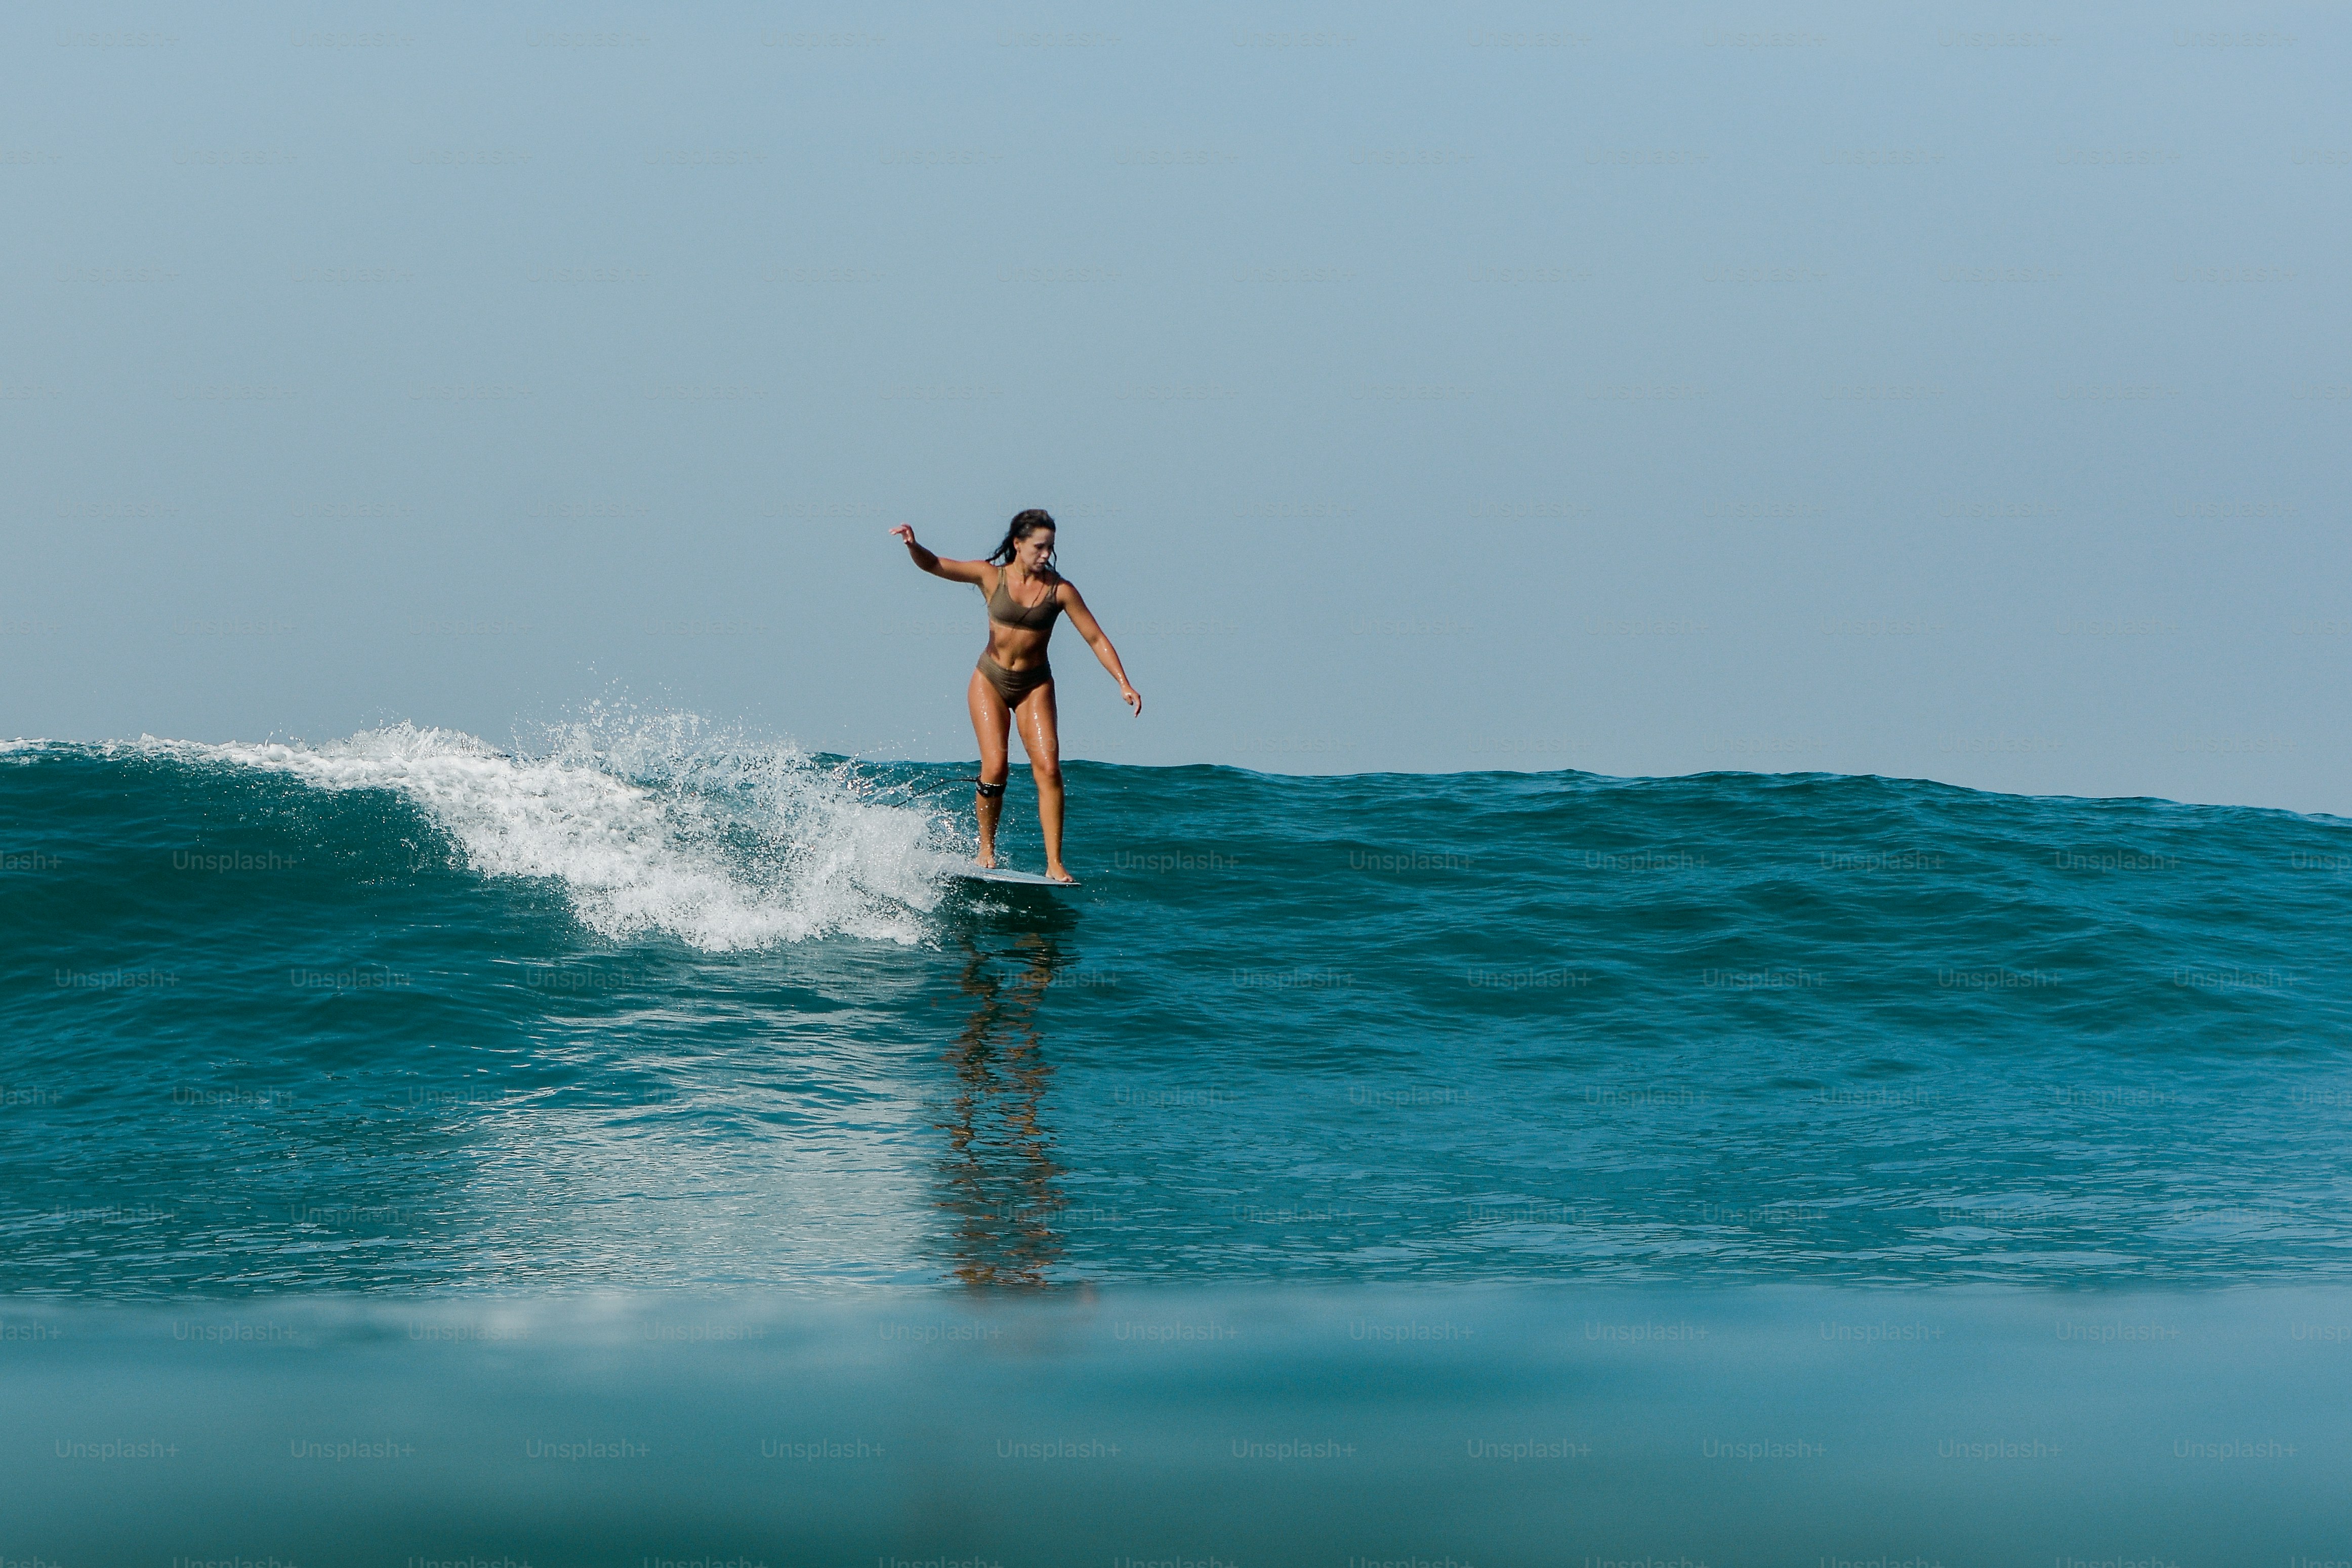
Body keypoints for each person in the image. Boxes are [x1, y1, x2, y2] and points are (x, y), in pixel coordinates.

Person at [890, 510, 1140, 882]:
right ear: (1018, 543)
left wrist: (1123, 682)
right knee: (995, 768)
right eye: (1039, 547)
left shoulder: (1060, 591)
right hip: (990, 680)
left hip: (1034, 686)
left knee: (1049, 769)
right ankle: (986, 849)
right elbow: (937, 565)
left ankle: (1054, 863)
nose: (1046, 554)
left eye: (1050, 547)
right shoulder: (991, 577)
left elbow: (1095, 637)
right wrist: (914, 546)